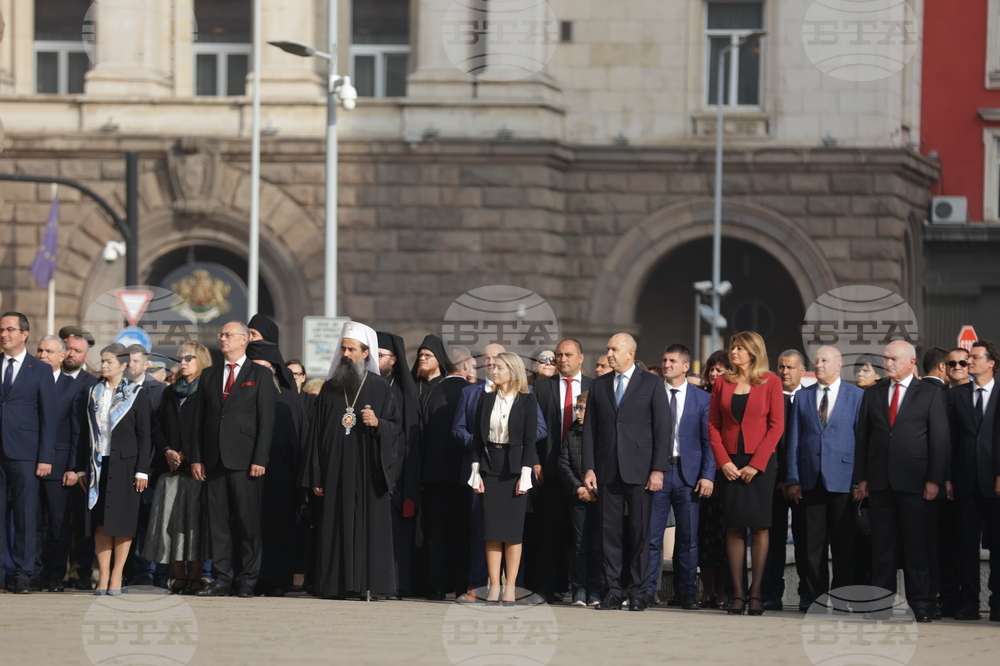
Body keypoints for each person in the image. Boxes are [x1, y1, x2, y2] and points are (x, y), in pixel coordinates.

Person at [300, 321, 400, 600]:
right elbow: (315, 435)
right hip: (334, 471)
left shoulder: (381, 388)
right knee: (334, 526)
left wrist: (379, 423)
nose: (345, 354)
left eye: (351, 349)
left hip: (368, 470)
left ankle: (369, 584)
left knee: (368, 526)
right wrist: (316, 475)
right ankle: (334, 585)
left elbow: (396, 428)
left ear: (365, 353)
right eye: (343, 348)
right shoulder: (330, 389)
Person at [853, 340, 949, 623]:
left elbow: (940, 441)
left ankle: (920, 604)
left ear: (911, 362)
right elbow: (862, 439)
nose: (888, 363)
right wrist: (861, 478)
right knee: (882, 548)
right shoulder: (874, 393)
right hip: (880, 483)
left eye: (894, 358)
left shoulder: (930, 394)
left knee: (916, 548)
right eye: (886, 358)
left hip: (916, 483)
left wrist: (935, 480)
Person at [582, 333, 672, 611]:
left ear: (630, 353)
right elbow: (590, 430)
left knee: (639, 533)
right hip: (607, 469)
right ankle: (611, 590)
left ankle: (637, 592)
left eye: (614, 349)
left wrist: (658, 469)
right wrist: (589, 467)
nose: (609, 354)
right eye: (608, 349)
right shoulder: (599, 386)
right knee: (610, 534)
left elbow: (662, 428)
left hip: (641, 470)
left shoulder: (653, 383)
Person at [190, 321, 276, 598]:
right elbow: (199, 420)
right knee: (218, 525)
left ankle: (248, 581)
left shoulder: (259, 374)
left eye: (228, 335)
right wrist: (197, 458)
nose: (222, 338)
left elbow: (266, 421)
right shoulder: (210, 374)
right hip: (214, 461)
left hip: (245, 460)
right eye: (221, 335)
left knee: (248, 524)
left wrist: (259, 458)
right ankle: (221, 579)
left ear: (244, 340)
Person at [708, 331, 784, 616]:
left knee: (761, 527)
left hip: (760, 462)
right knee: (734, 526)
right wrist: (723, 461)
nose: (734, 353)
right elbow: (713, 426)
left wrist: (757, 464)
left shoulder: (771, 382)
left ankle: (756, 594)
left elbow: (776, 426)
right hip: (729, 462)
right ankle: (737, 594)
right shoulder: (720, 383)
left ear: (754, 352)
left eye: (740, 348)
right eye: (732, 347)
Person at [785, 346, 863, 608]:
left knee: (844, 544)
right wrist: (793, 478)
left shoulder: (857, 396)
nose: (818, 364)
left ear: (839, 364)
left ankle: (842, 597)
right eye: (815, 361)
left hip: (843, 478)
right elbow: (793, 440)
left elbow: (861, 442)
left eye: (824, 360)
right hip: (809, 479)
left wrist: (858, 481)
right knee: (811, 545)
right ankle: (814, 597)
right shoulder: (803, 397)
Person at [74, 343, 151, 596]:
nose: (104, 365)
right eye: (102, 361)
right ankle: (103, 574)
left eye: (108, 361)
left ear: (123, 364)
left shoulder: (136, 393)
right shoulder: (93, 393)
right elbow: (84, 433)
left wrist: (142, 470)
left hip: (127, 465)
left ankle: (117, 574)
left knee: (123, 522)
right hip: (98, 463)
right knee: (100, 523)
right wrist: (81, 468)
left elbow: (144, 436)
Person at [645, 344, 714, 610]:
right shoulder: (652, 394)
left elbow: (708, 442)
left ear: (686, 366)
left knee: (688, 538)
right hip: (658, 474)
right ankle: (648, 591)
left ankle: (686, 592)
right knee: (652, 537)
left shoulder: (702, 399)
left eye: (672, 361)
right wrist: (652, 470)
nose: (666, 364)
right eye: (664, 360)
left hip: (689, 476)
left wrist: (708, 476)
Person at [469, 352, 539, 605]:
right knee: (491, 531)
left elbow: (530, 440)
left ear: (512, 370)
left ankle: (510, 588)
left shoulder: (527, 400)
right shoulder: (485, 399)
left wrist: (526, 474)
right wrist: (476, 472)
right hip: (491, 467)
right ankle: (494, 587)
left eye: (498, 367)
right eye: (491, 367)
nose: (493, 371)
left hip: (515, 468)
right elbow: (478, 439)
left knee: (512, 532)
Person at [143, 343, 212, 595]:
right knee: (171, 523)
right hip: (170, 468)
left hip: (196, 468)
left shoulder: (207, 390)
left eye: (189, 358)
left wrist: (188, 454)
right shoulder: (170, 392)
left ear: (201, 360)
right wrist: (167, 450)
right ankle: (179, 576)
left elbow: (208, 428)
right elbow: (157, 426)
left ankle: (196, 576)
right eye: (180, 358)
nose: (182, 362)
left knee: (193, 523)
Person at [531, 338, 591, 604]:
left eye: (568, 354)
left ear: (581, 358)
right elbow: (530, 429)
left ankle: (582, 587)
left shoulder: (595, 387)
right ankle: (545, 588)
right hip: (549, 470)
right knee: (548, 532)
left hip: (584, 472)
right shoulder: (541, 387)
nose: (562, 359)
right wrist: (534, 460)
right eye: (558, 355)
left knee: (582, 535)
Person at [0, 313, 56, 594]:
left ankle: (23, 574)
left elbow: (49, 416)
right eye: (1, 330)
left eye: (10, 329)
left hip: (25, 452)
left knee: (25, 515)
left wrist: (45, 457)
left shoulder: (40, 369)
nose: (4, 334)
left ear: (25, 334)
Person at [247, 339, 308, 597]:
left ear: (272, 367)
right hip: (248, 472)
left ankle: (275, 580)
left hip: (282, 475)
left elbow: (300, 439)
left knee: (278, 527)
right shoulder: (244, 392)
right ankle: (248, 578)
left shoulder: (289, 398)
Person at [948, 340, 1000, 621]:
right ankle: (968, 602)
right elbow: (951, 440)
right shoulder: (957, 396)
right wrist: (947, 478)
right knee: (966, 546)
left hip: (996, 482)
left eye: (974, 357)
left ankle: (998, 602)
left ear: (991, 362)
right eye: (967, 358)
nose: (968, 362)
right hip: (964, 481)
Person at [421, 346, 476, 600]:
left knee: (436, 532)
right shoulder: (473, 392)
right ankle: (462, 584)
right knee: (463, 531)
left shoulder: (431, 393)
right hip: (466, 474)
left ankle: (435, 586)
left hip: (434, 474)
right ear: (465, 365)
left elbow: (419, 433)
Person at [33, 335, 86, 592]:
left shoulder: (73, 387)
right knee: (33, 523)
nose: (43, 355)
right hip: (28, 462)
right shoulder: (28, 381)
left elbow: (77, 431)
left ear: (62, 355)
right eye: (40, 350)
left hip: (60, 465)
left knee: (57, 524)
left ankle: (55, 575)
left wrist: (74, 468)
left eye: (49, 351)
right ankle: (33, 573)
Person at [376, 331, 421, 598]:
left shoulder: (405, 393)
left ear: (394, 360)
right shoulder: (369, 384)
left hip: (400, 474)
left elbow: (409, 441)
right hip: (375, 470)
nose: (375, 360)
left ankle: (397, 584)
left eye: (380, 355)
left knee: (398, 535)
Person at [763, 350, 808, 611]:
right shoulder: (771, 398)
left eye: (790, 367)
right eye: (781, 367)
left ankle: (806, 593)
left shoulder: (809, 399)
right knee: (773, 541)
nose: (785, 372)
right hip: (771, 483)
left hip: (803, 485)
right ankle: (772, 592)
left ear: (803, 370)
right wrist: (780, 478)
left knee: (804, 541)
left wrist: (794, 479)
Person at [557, 391, 602, 606]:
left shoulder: (602, 434)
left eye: (582, 408)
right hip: (578, 498)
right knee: (579, 544)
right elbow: (563, 463)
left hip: (599, 498)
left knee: (597, 545)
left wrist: (595, 491)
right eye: (577, 407)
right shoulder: (572, 432)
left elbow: (608, 464)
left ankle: (595, 590)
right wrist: (578, 489)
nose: (578, 412)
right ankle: (579, 591)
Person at [698, 349, 730, 608]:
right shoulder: (701, 398)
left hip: (729, 475)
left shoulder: (734, 398)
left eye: (721, 370)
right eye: (712, 370)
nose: (716, 374)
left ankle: (723, 591)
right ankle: (706, 590)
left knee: (726, 537)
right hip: (702, 477)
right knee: (704, 537)